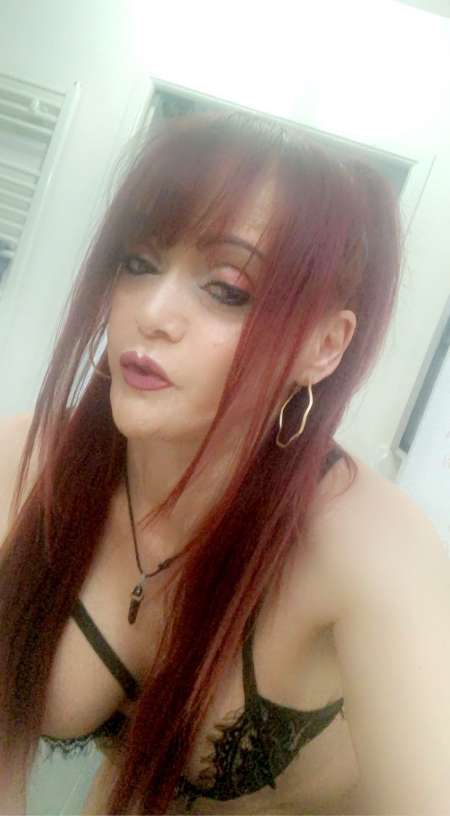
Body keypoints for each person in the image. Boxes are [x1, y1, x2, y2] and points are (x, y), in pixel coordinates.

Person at [1, 109, 445, 816]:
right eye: (138, 263)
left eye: (228, 290)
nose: (152, 313)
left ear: (325, 346)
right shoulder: (26, 464)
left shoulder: (372, 548)